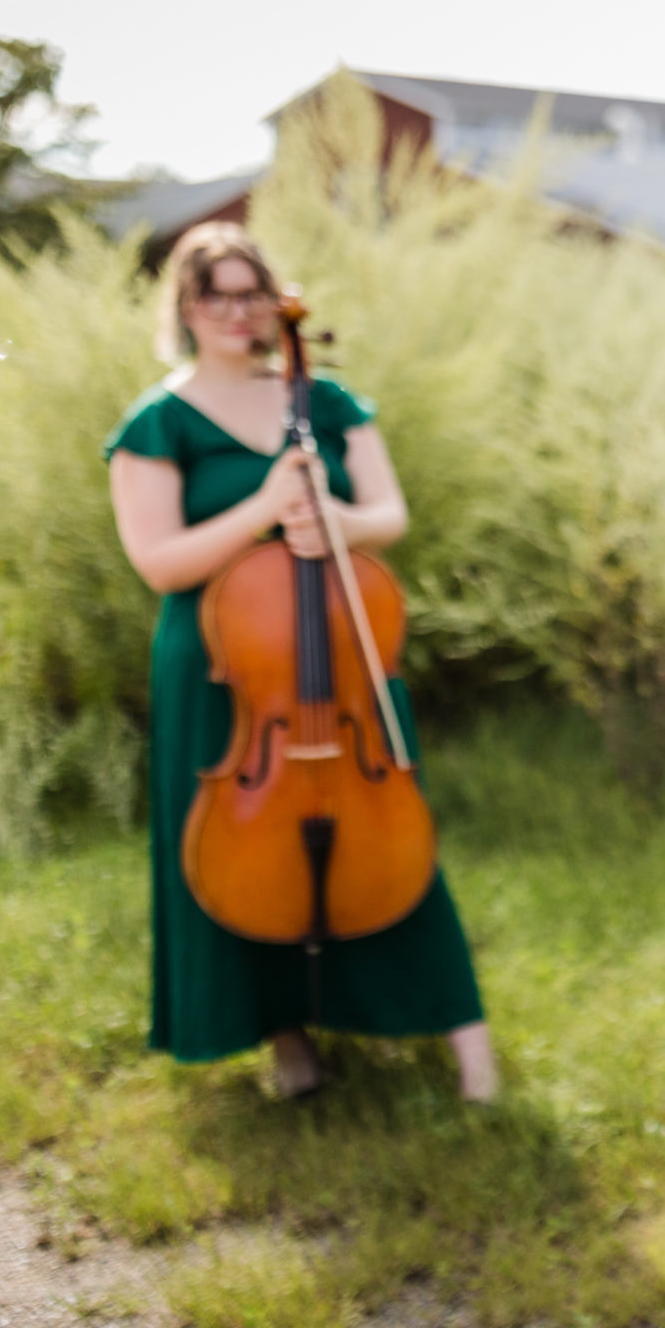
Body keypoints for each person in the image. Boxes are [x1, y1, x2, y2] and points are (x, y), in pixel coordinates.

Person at [105, 222, 495, 1102]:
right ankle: (282, 1036)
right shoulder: (157, 422)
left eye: (252, 293)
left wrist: (334, 521)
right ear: (187, 308)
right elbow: (160, 562)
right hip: (224, 667)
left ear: (275, 302)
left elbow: (385, 515)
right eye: (219, 296)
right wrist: (265, 508)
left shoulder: (326, 402)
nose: (239, 312)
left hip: (342, 657)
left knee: (394, 841)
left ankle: (463, 1038)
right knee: (238, 853)